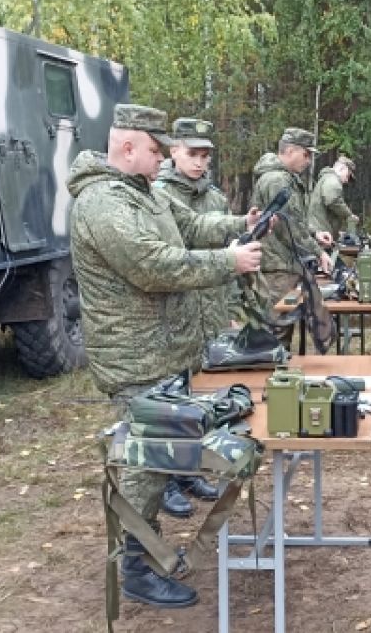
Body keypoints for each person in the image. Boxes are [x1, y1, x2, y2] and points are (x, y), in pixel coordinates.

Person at [68, 103, 265, 608]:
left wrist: (241, 222)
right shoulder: (102, 204)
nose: (163, 160)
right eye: (156, 150)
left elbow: (193, 227)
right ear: (128, 146)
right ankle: (137, 567)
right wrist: (230, 262)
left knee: (159, 462)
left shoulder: (145, 193)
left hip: (165, 355)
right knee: (143, 469)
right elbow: (153, 266)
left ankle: (145, 557)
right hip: (135, 362)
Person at [153, 116, 235, 516]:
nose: (200, 162)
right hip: (177, 313)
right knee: (170, 399)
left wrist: (232, 311)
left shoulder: (215, 196)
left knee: (199, 401)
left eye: (205, 155)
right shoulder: (159, 195)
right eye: (192, 153)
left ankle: (188, 469)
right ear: (173, 152)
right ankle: (165, 478)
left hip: (212, 312)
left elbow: (229, 257)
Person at [251, 128, 334, 308]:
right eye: (306, 154)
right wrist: (319, 253)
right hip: (275, 268)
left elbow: (295, 218)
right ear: (290, 151)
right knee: (275, 330)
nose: (309, 161)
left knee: (280, 329)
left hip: (280, 264)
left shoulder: (284, 178)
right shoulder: (277, 181)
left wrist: (314, 233)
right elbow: (289, 228)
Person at [309, 155, 358, 239]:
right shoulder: (332, 179)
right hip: (321, 234)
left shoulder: (326, 179)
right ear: (342, 168)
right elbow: (332, 200)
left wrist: (337, 233)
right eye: (347, 176)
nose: (346, 181)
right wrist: (349, 216)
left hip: (319, 231)